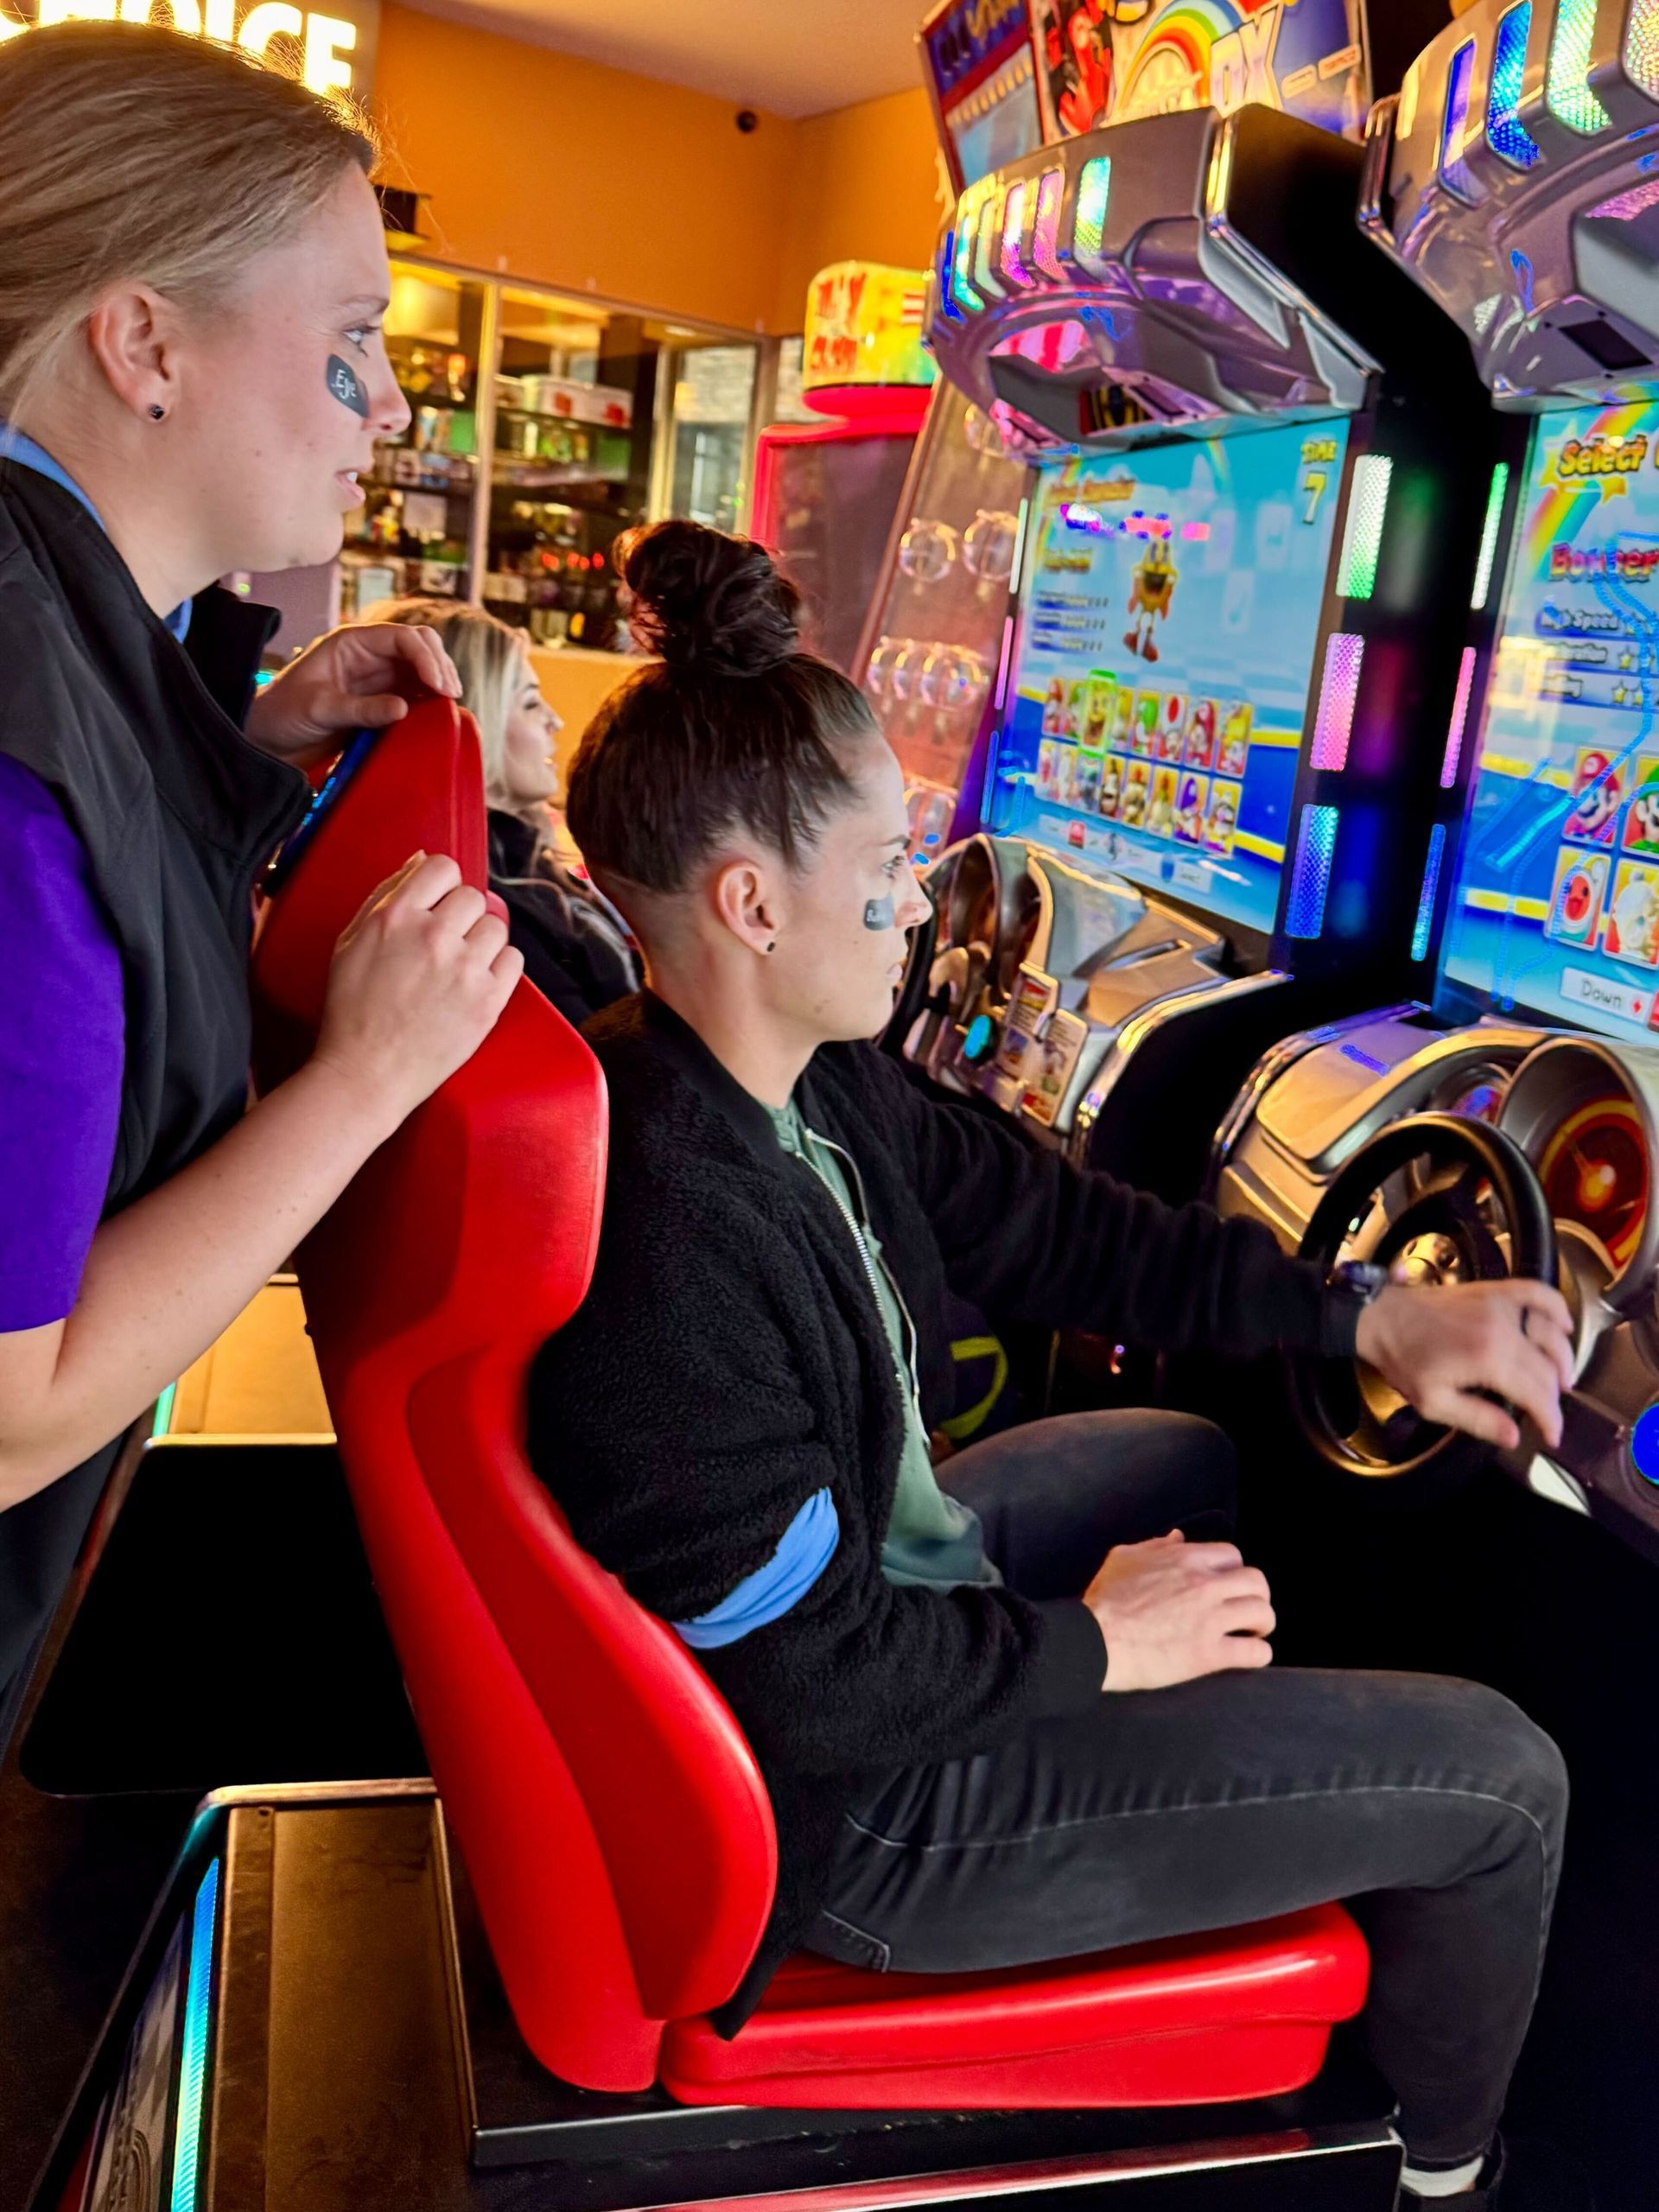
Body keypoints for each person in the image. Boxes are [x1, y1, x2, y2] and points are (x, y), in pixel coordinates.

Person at [529, 520, 1578, 2209]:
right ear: (748, 899)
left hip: (885, 1625)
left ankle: (1217, 1815)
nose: (917, 898)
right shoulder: (669, 1230)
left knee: (1175, 1454)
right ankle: (1440, 2175)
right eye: (885, 866)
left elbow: (1067, 1232)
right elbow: (816, 1683)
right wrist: (1106, 1646)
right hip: (863, 1810)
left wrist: (1374, 1310)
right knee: (1507, 1778)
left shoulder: (803, 1070)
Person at [0, 24, 523, 1728]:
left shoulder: (71, 621)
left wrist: (242, 725)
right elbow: (12, 1405)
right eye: (352, 347)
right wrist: (371, 1077)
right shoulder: (19, 777)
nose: (387, 407)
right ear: (143, 339)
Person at [364, 600, 637, 1025]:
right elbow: (600, 1065)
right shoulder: (484, 906)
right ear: (474, 726)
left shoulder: (523, 861)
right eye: (530, 704)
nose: (556, 721)